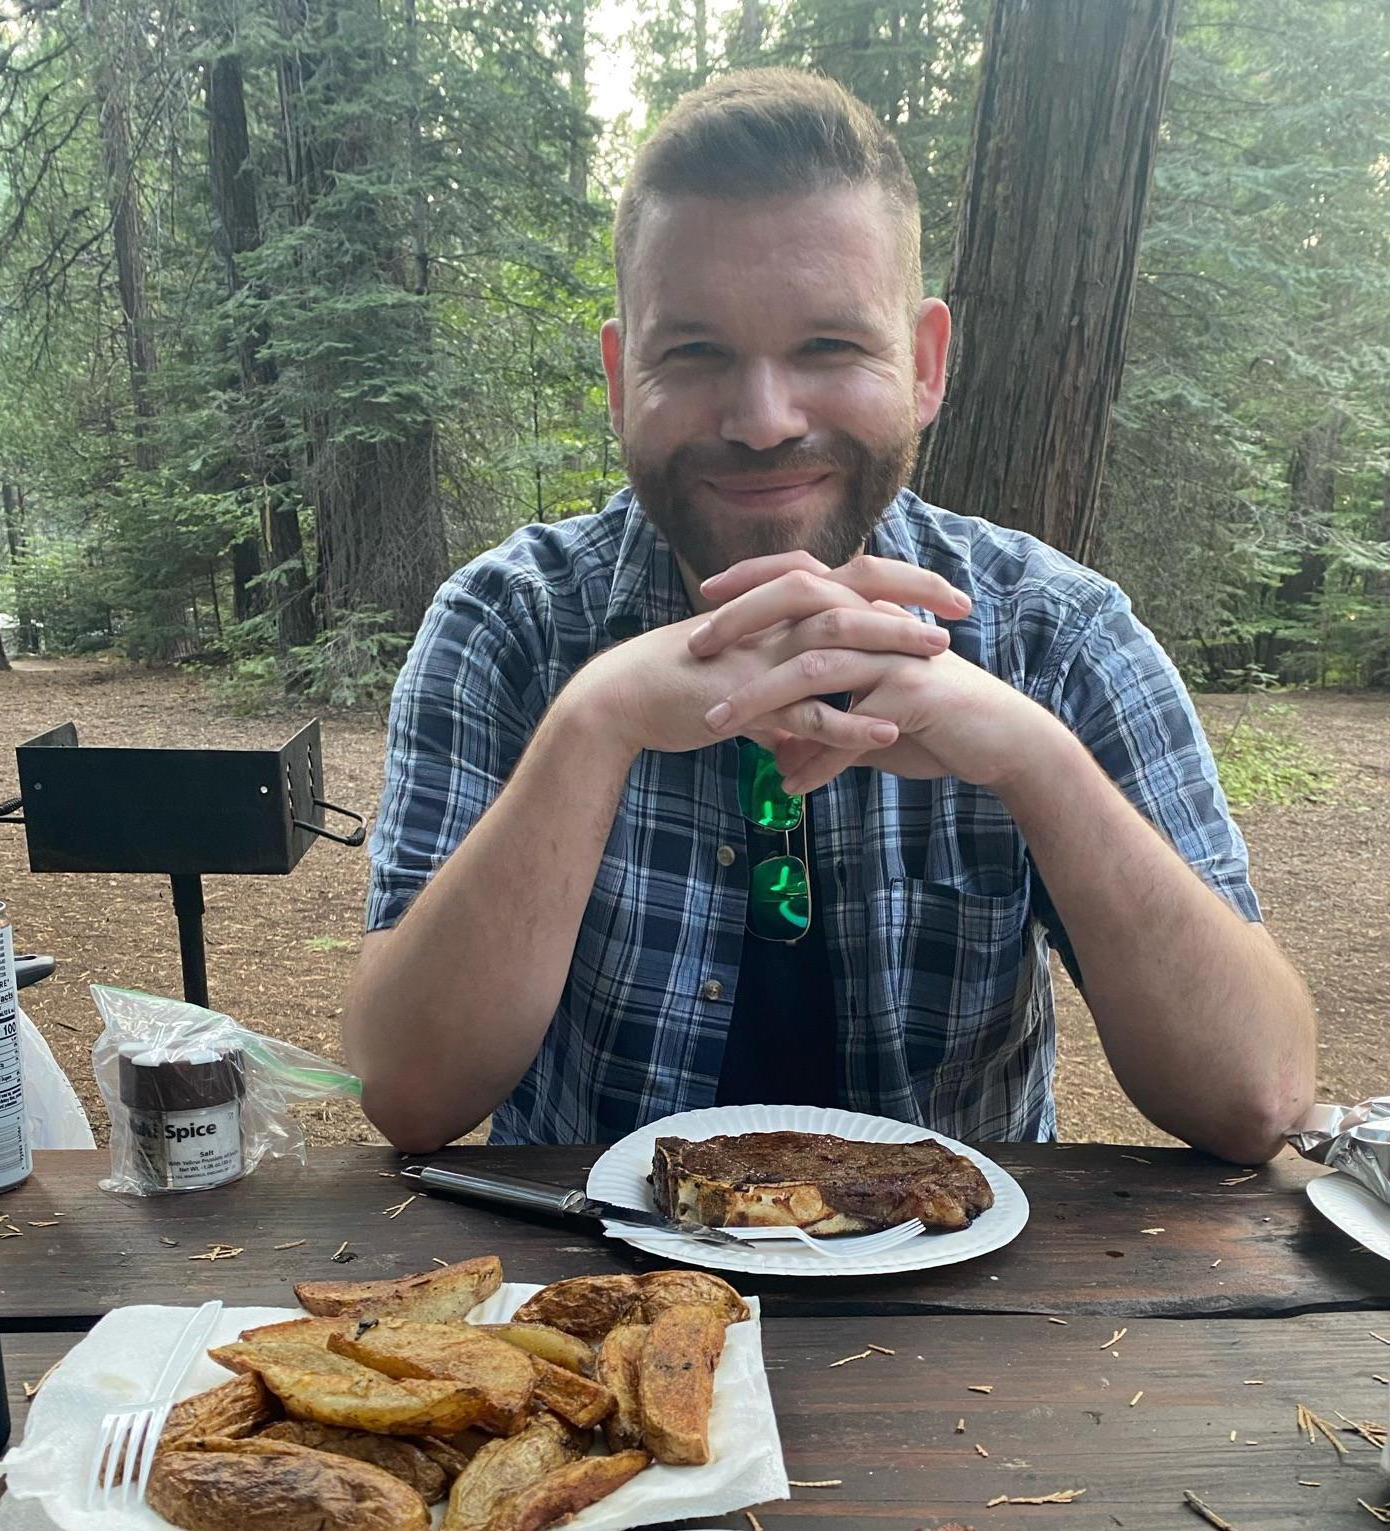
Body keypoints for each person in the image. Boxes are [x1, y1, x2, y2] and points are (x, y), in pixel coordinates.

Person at [343, 69, 1316, 1165]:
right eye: (696, 351)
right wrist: (593, 724)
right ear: (621, 378)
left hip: (960, 1313)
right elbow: (407, 1095)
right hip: (592, 1296)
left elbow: (1257, 1095)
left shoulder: (1055, 633)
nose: (763, 422)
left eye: (829, 348)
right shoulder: (506, 624)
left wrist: (1037, 762)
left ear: (926, 363)